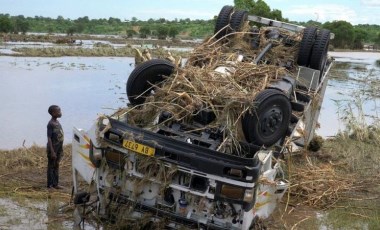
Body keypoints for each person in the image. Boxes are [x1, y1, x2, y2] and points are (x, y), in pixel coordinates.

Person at [46, 105, 64, 189]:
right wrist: (52, 151)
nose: (60, 112)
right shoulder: (50, 124)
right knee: (51, 166)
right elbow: (49, 138)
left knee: (56, 165)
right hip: (53, 149)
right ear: (53, 113)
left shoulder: (57, 122)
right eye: (58, 111)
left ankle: (55, 184)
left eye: (60, 111)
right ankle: (50, 185)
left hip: (59, 148)